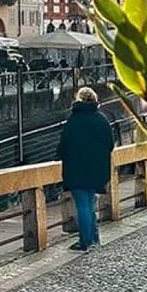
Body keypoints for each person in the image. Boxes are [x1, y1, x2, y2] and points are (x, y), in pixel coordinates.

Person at [56, 86, 115, 252]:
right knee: (89, 203)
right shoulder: (102, 120)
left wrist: (62, 155)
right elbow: (110, 145)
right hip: (97, 169)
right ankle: (94, 237)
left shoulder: (73, 121)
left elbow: (63, 146)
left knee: (83, 205)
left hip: (77, 169)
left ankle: (85, 241)